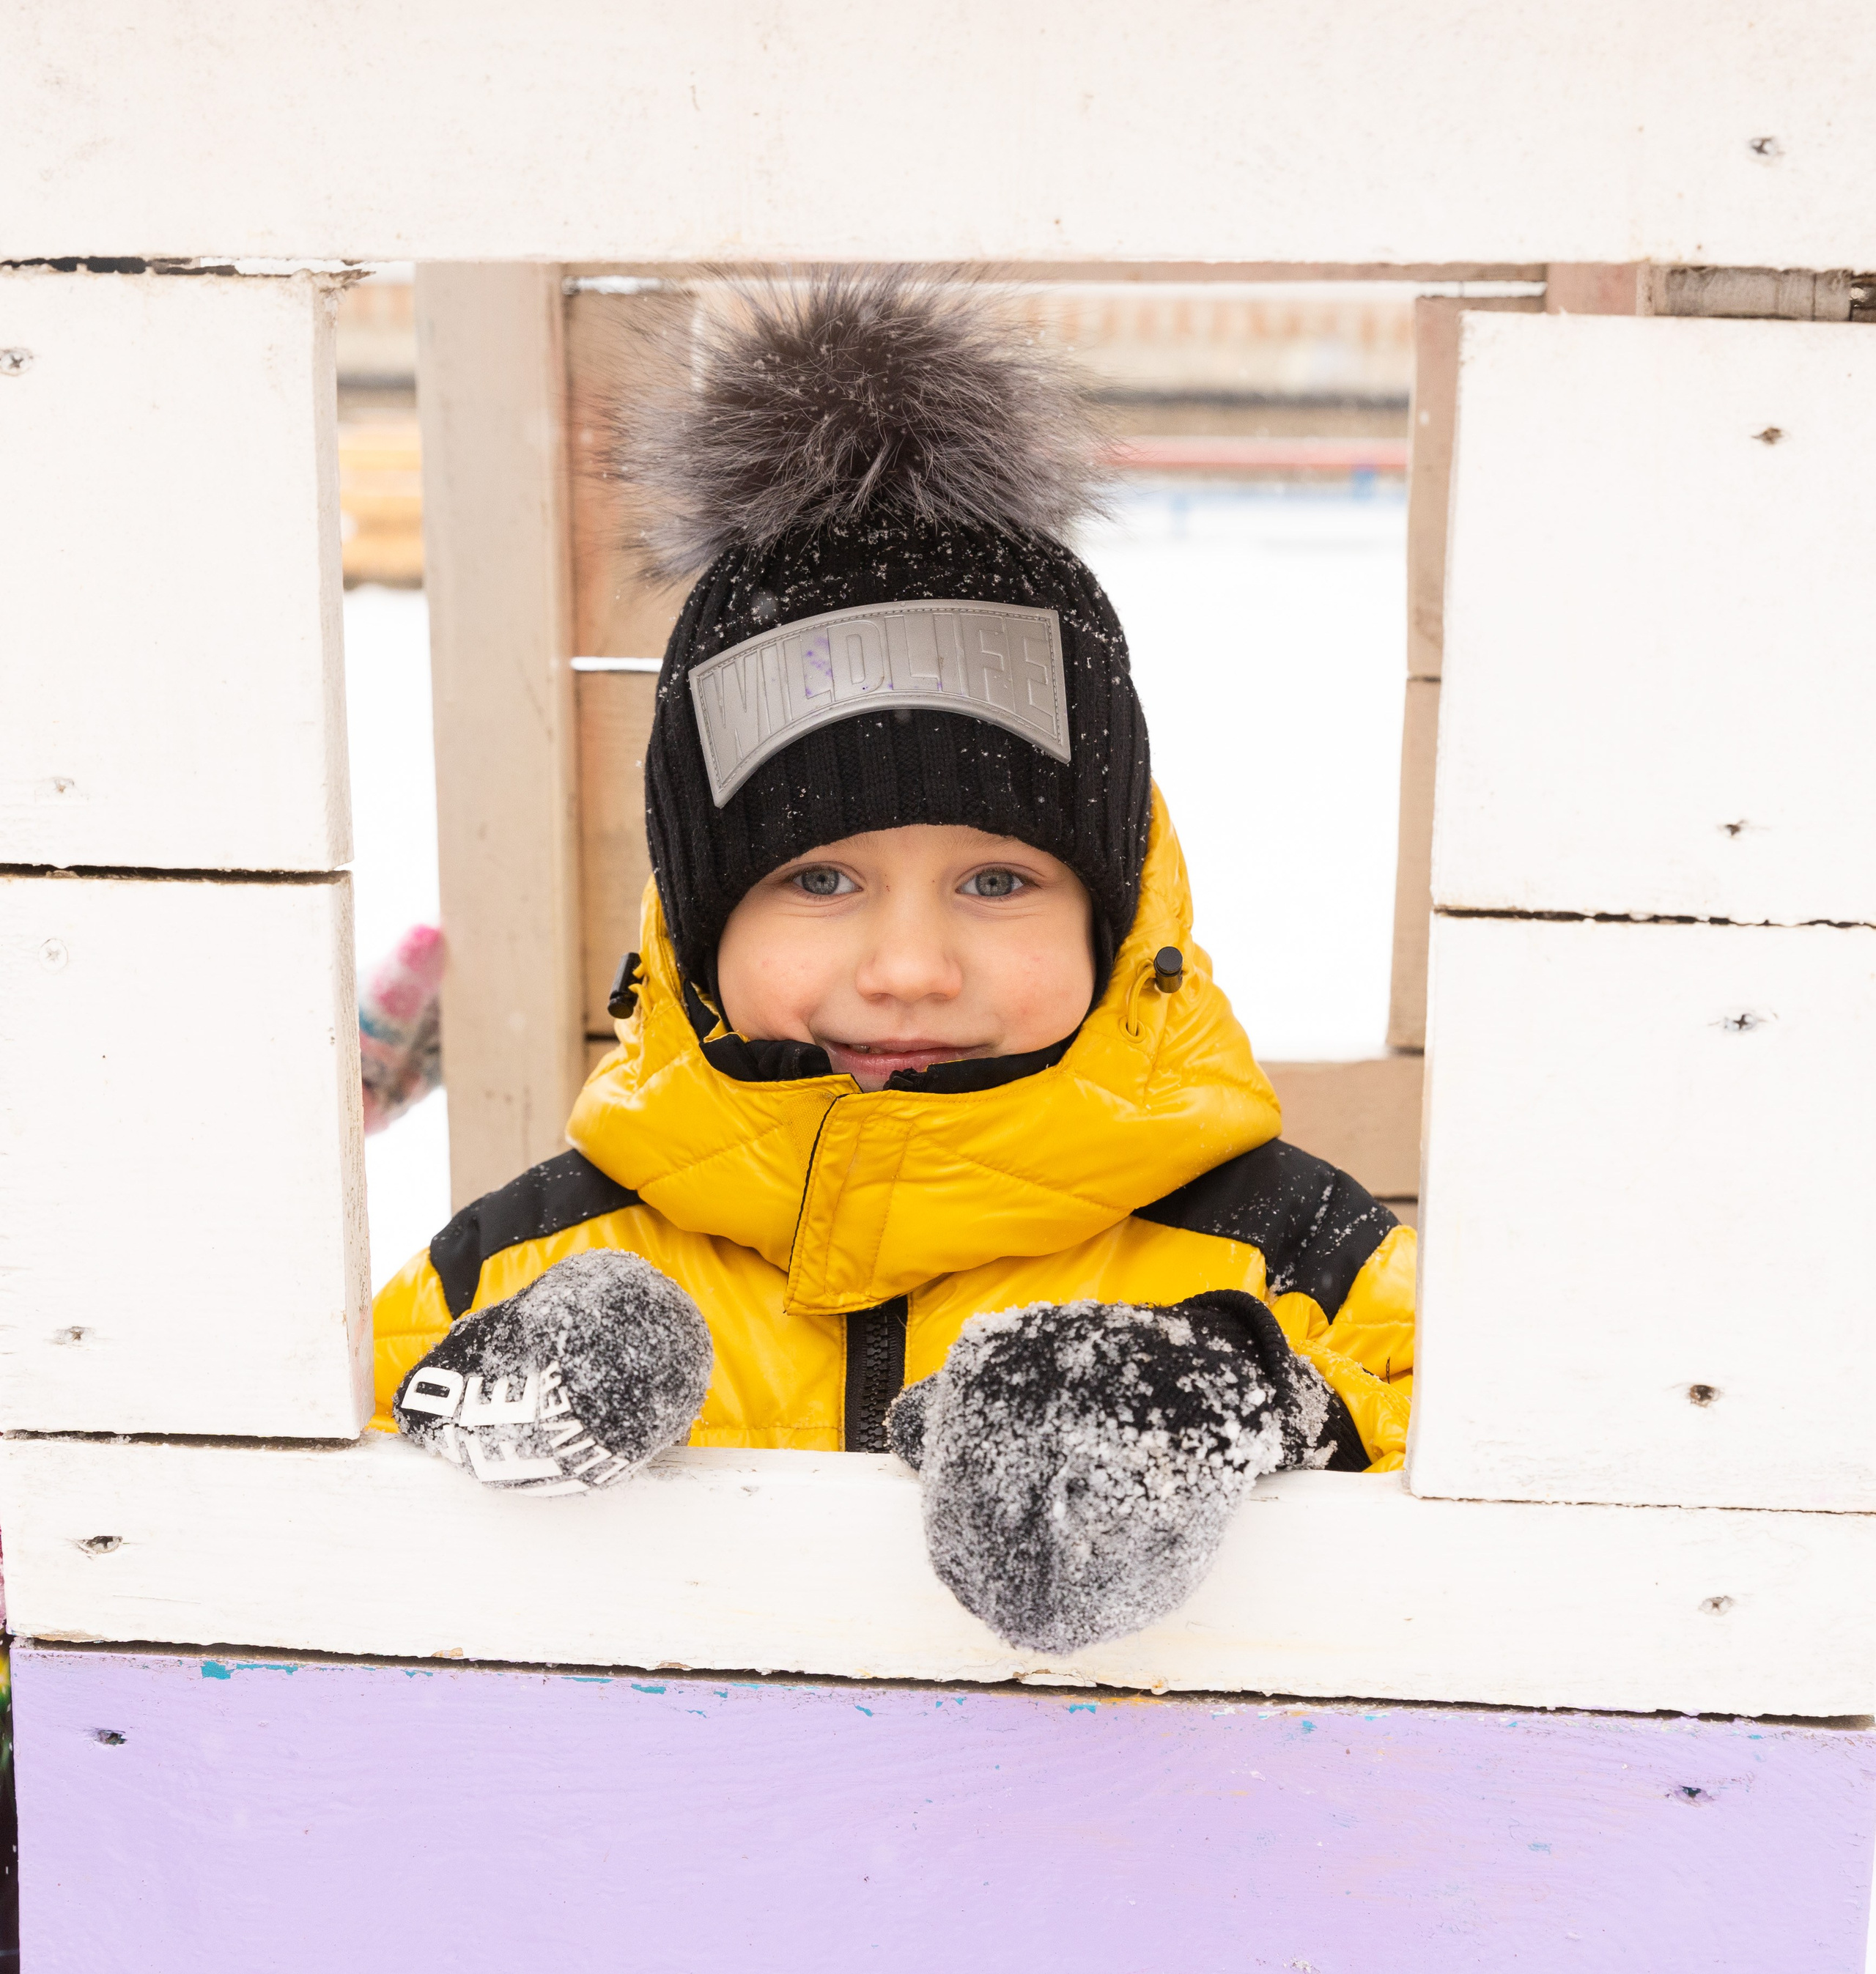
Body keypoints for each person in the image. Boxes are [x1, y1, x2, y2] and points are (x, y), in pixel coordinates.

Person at [372, 270, 1415, 1654]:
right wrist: (476, 1405)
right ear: (694, 924)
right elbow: (309, 1462)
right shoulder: (534, 1254)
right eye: (819, 879)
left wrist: (1251, 1400)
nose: (911, 965)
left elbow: (1497, 1427)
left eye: (997, 880)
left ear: (1117, 919)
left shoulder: (1281, 1253)